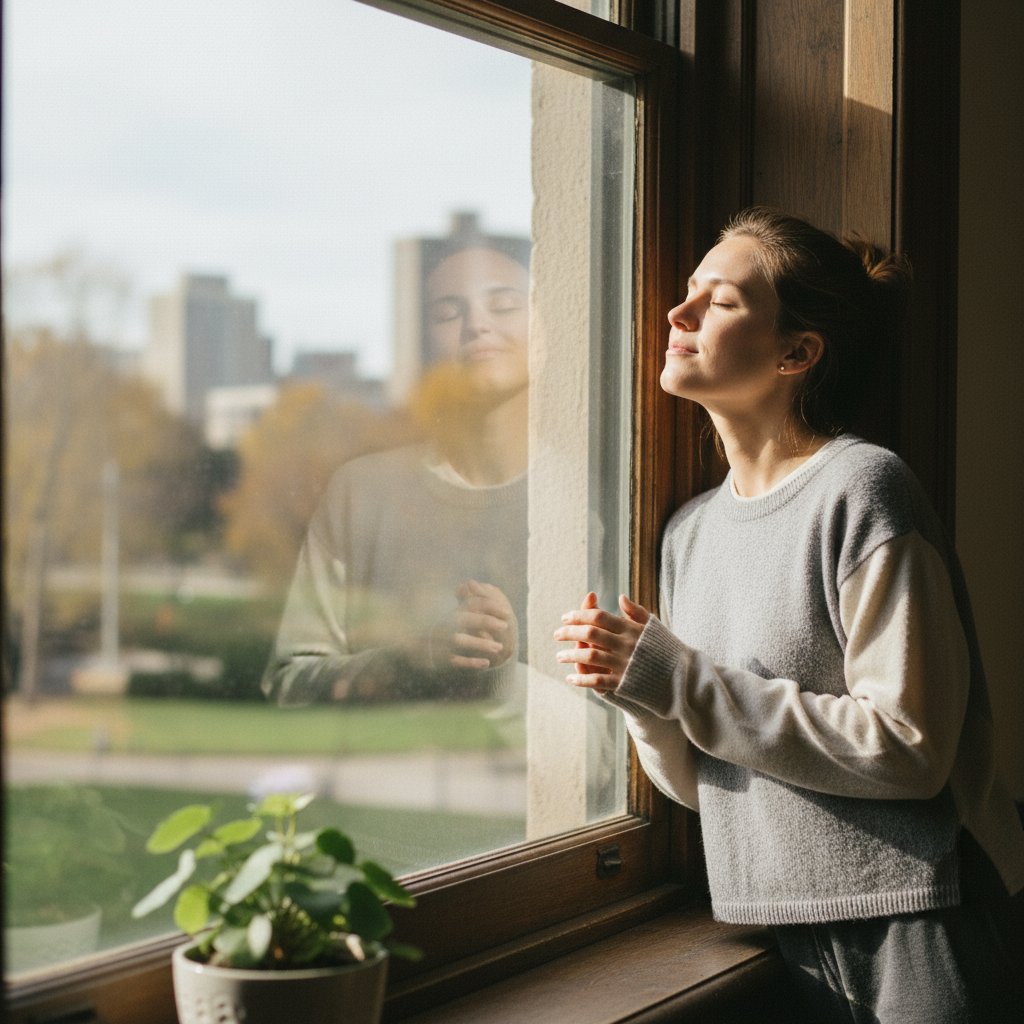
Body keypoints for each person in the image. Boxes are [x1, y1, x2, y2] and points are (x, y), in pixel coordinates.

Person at [552, 207, 1024, 1023]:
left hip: (924, 915)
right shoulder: (689, 531)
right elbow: (717, 787)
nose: (678, 312)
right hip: (778, 928)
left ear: (798, 353)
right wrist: (638, 693)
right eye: (688, 291)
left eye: (721, 300)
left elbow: (910, 749)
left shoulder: (864, 488)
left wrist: (678, 677)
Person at [263, 240, 530, 706]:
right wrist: (413, 660)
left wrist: (505, 667)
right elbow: (290, 684)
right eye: (447, 313)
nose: (477, 325)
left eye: (504, 305)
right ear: (423, 344)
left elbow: (627, 708)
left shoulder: (597, 493)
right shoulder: (361, 493)